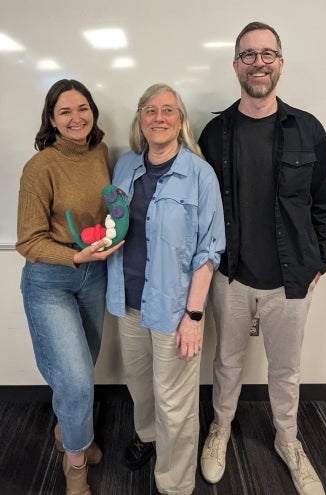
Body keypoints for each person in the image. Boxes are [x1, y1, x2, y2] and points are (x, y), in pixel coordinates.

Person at [199, 21, 326, 495]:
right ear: (236, 64)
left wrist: (318, 261)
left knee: (286, 369)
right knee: (227, 363)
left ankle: (288, 440)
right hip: (231, 277)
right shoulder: (215, 131)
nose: (258, 62)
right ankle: (220, 429)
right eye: (249, 54)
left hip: (291, 281)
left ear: (279, 61)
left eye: (267, 53)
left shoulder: (308, 128)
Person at [106, 83, 225, 495]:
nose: (159, 117)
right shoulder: (124, 167)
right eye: (150, 110)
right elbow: (114, 228)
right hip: (128, 301)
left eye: (168, 111)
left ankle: (174, 483)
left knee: (175, 403)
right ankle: (148, 436)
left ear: (180, 121)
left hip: (175, 309)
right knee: (139, 384)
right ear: (140, 118)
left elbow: (209, 251)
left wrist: (194, 317)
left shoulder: (199, 174)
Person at [16, 79, 124, 495]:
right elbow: (28, 240)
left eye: (83, 108)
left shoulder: (101, 154)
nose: (76, 117)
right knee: (77, 379)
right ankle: (75, 465)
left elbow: (111, 209)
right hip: (51, 278)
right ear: (52, 119)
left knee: (83, 366)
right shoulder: (39, 166)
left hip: (94, 275)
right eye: (65, 112)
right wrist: (74, 257)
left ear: (93, 112)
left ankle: (69, 431)